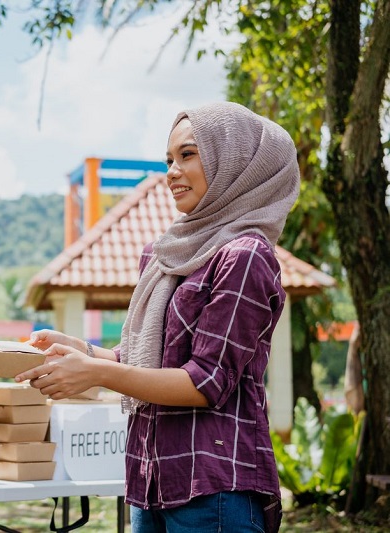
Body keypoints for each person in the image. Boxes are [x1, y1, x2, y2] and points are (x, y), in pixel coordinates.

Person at [17, 102, 299, 533]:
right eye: (169, 159)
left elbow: (205, 382)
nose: (171, 171)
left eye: (188, 155)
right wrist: (87, 352)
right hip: (149, 480)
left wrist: (95, 373)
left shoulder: (244, 256)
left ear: (235, 162)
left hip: (213, 489)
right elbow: (147, 358)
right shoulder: (166, 253)